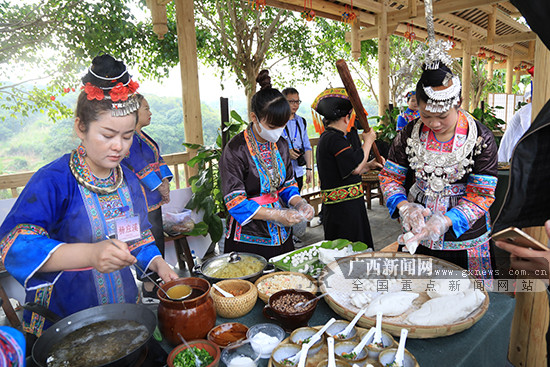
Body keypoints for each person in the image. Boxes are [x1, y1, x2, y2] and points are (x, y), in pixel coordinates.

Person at [0, 55, 178, 346]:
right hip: (63, 322)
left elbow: (136, 238)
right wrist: (90, 254)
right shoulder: (55, 180)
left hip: (123, 315)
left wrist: (157, 263)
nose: (119, 146)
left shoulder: (129, 181)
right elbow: (13, 245)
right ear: (80, 127)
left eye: (128, 136)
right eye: (107, 135)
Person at [379, 60, 498, 284]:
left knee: (466, 298)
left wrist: (446, 221)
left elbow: (481, 194)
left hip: (463, 236)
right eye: (426, 115)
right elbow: (390, 177)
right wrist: (405, 208)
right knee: (415, 296)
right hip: (417, 229)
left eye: (443, 116)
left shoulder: (481, 139)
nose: (434, 123)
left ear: (459, 103)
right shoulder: (409, 132)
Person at [220, 70, 315, 259]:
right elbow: (235, 202)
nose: (278, 132)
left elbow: (288, 183)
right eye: (273, 127)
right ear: (254, 118)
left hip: (281, 235)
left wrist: (299, 203)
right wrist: (276, 215)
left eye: (283, 125)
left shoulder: (280, 144)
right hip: (249, 237)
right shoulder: (236, 149)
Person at [313, 88, 382, 246]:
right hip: (343, 209)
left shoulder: (331, 138)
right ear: (346, 118)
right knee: (348, 249)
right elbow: (356, 167)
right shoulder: (334, 139)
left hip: (348, 205)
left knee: (354, 246)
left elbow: (348, 171)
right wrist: (369, 141)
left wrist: (370, 165)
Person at [122, 93, 173, 298]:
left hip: (153, 199)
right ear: (133, 112)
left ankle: (156, 280)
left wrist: (166, 181)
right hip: (140, 199)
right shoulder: (129, 139)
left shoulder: (144, 137)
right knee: (145, 239)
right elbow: (138, 165)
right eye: (146, 109)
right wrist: (159, 185)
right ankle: (149, 286)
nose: (150, 112)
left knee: (156, 238)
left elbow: (158, 160)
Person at [281, 88, 313, 191]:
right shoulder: (276, 122)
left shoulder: (301, 121)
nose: (295, 105)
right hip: (282, 173)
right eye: (291, 102)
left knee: (296, 200)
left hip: (298, 171)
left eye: (297, 101)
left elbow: (307, 147)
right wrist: (286, 153)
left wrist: (308, 169)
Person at [498, 89, 532, 162]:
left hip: (514, 144)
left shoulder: (529, 108)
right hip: (512, 144)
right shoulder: (528, 108)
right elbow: (527, 129)